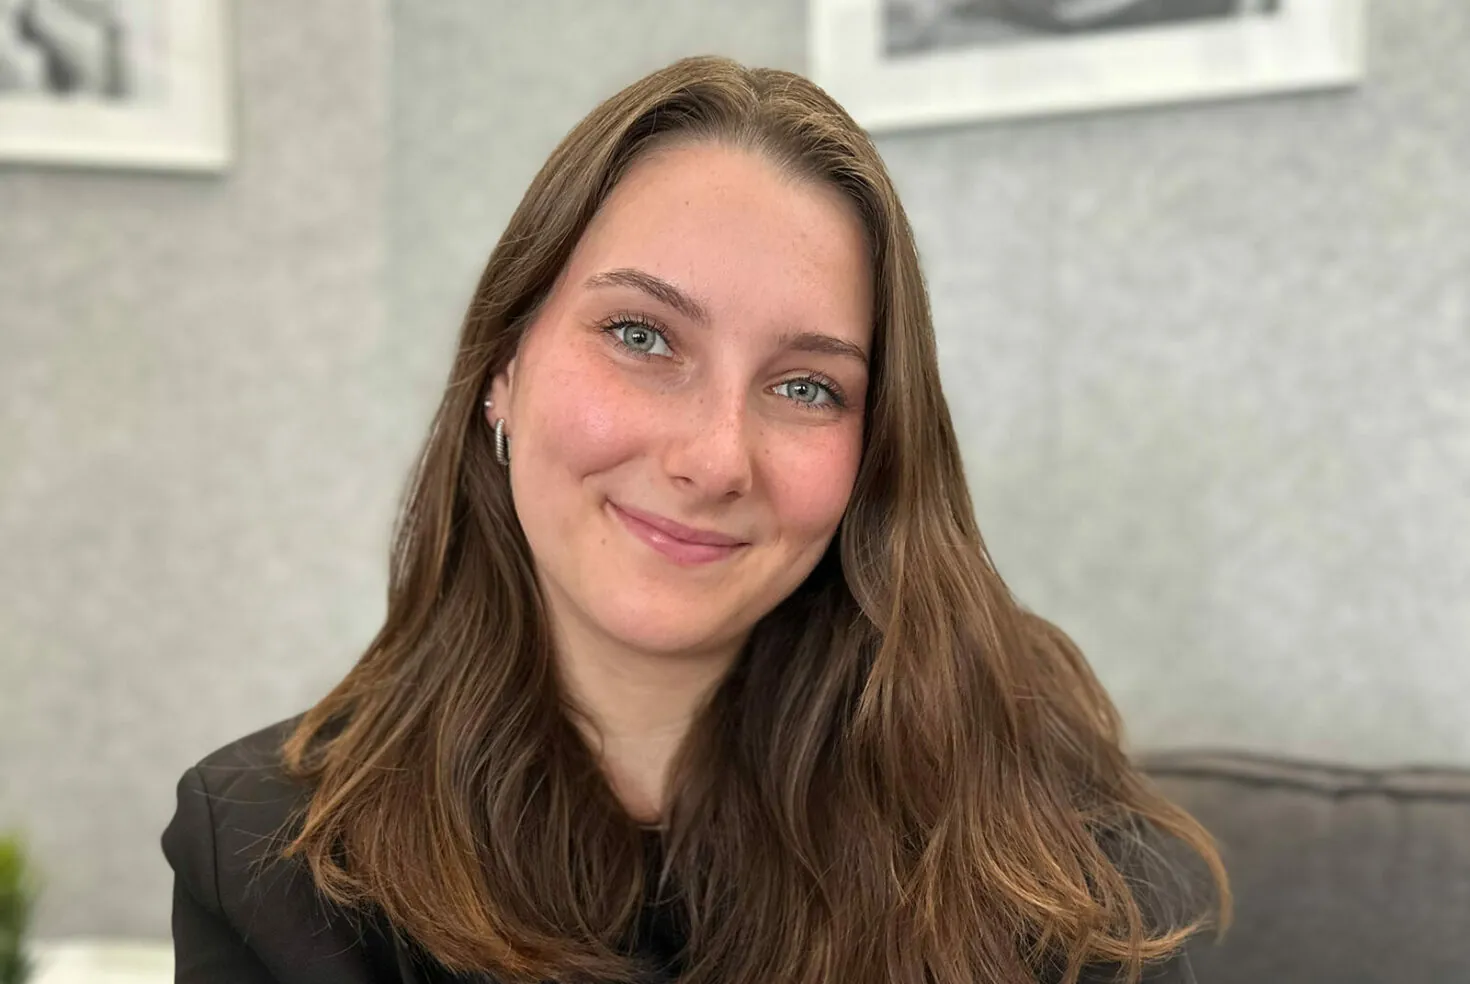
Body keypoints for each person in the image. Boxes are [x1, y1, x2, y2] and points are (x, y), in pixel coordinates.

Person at [161, 55, 1229, 984]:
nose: (716, 458)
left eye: (808, 388)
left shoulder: (1045, 845)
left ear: (875, 451)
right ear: (503, 365)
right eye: (641, 334)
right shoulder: (269, 858)